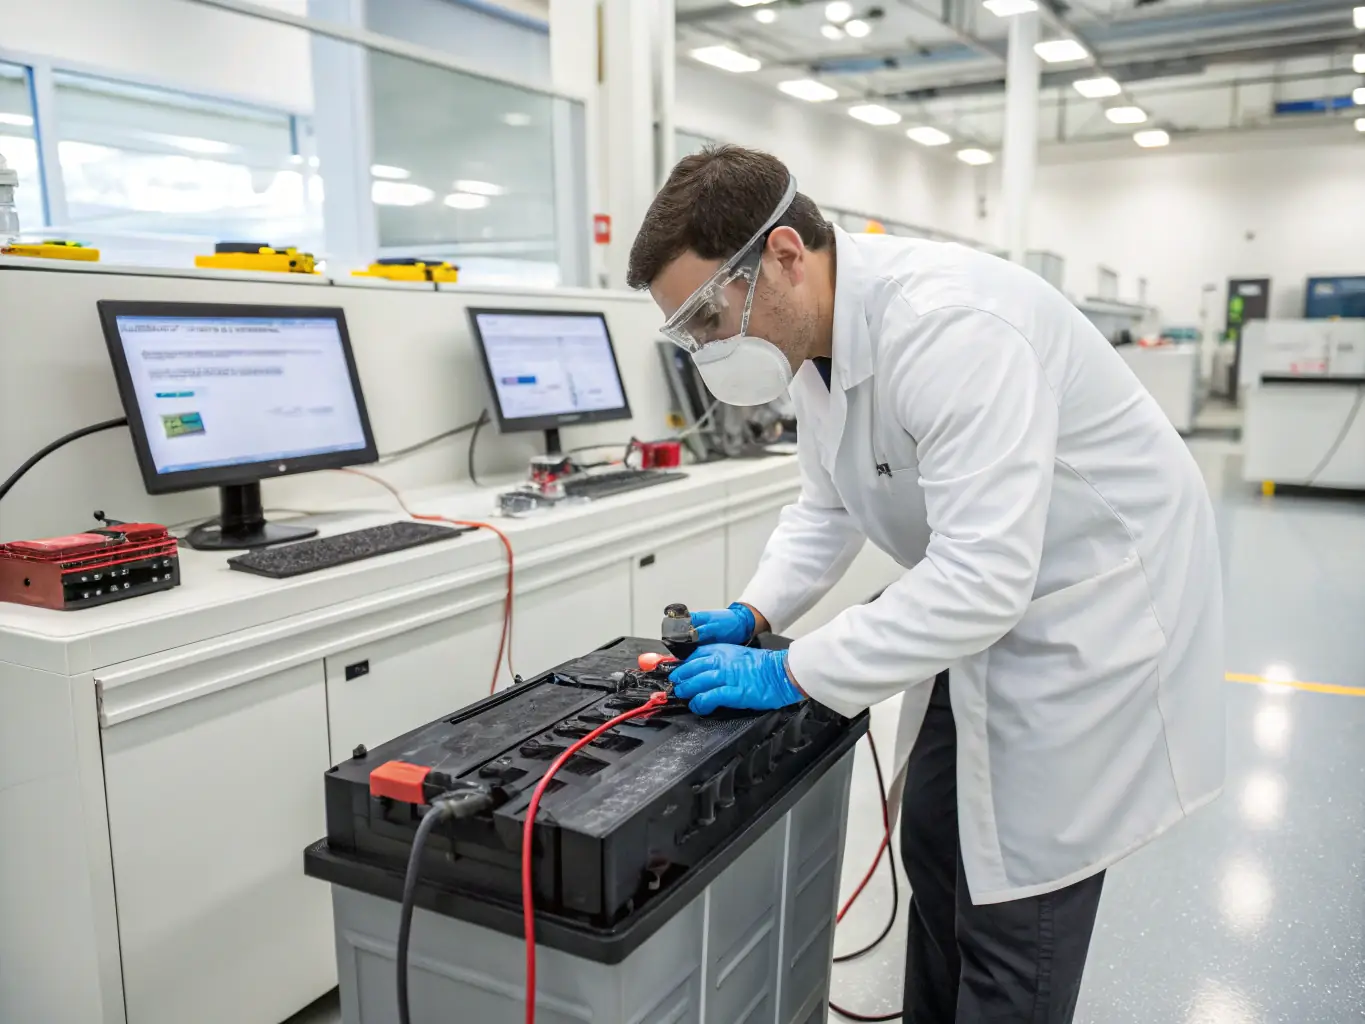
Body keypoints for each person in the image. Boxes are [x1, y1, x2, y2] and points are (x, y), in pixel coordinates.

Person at [627, 146, 1225, 1023]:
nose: (710, 345)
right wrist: (755, 613)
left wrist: (791, 671)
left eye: (710, 314)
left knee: (1018, 904)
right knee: (938, 852)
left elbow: (983, 580)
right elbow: (826, 507)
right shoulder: (815, 344)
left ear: (786, 255)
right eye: (691, 330)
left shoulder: (954, 326)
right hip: (985, 607)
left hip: (1086, 612)